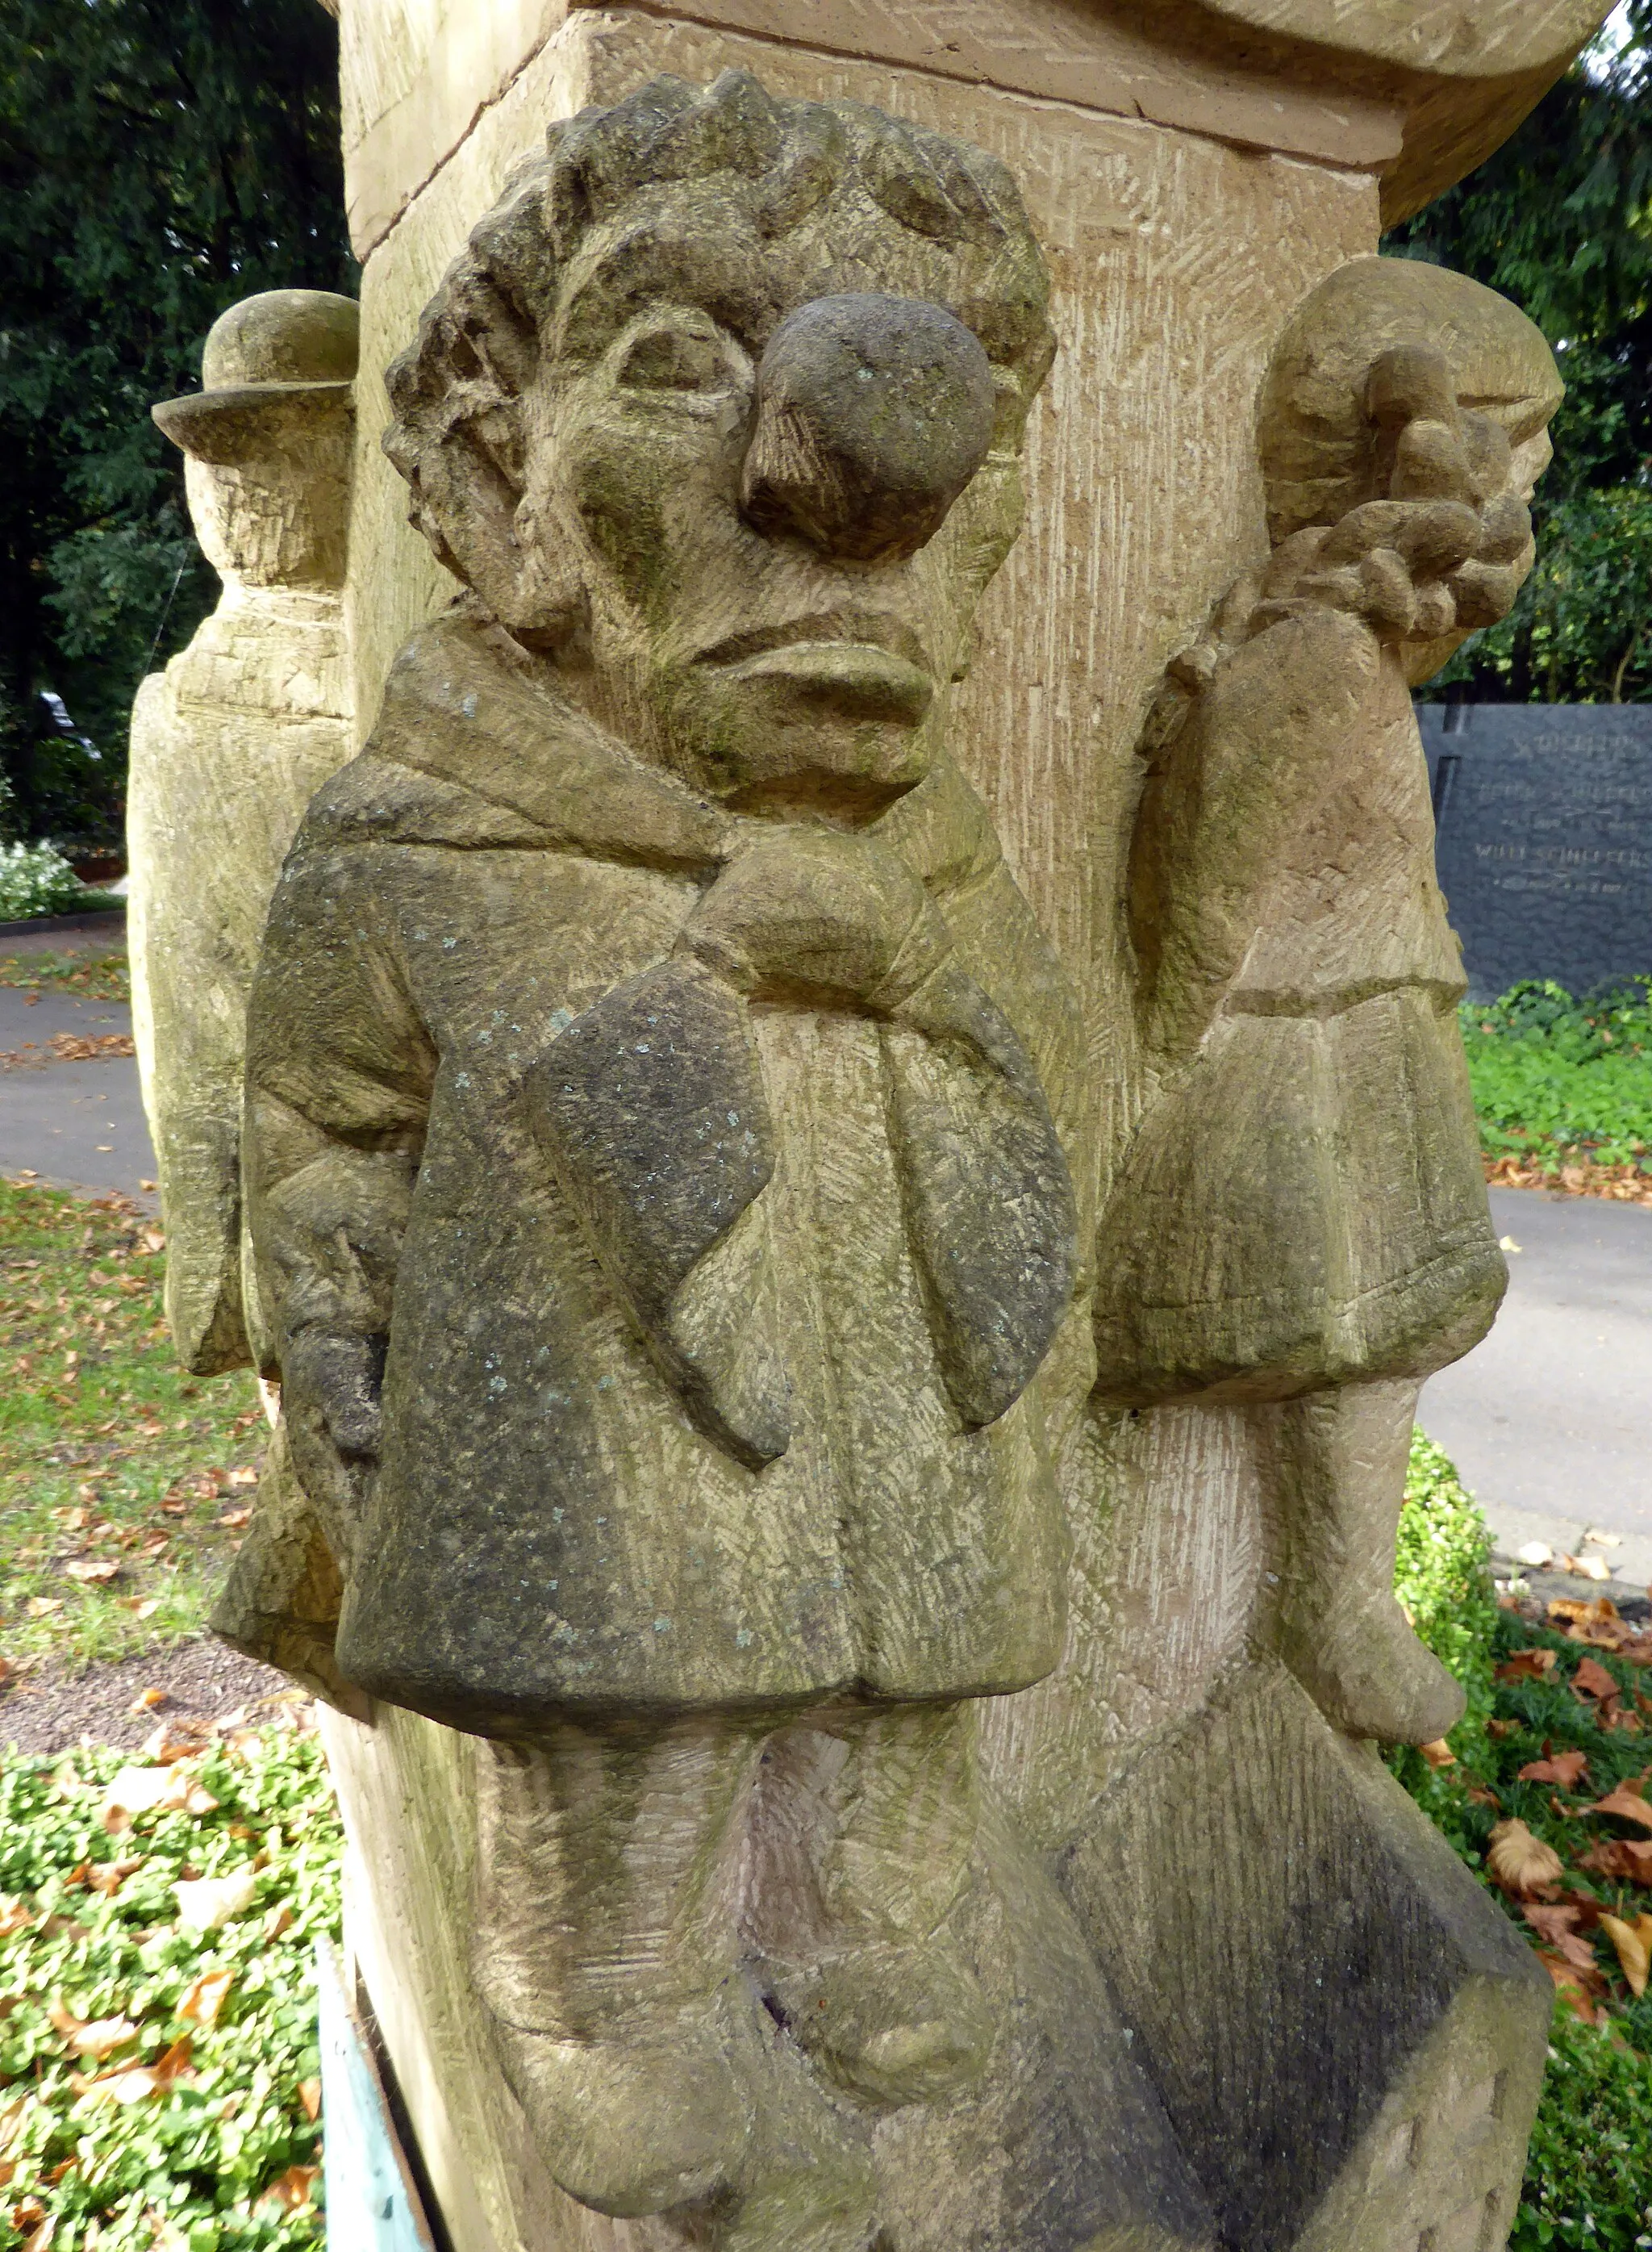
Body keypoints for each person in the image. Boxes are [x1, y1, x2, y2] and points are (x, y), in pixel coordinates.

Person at [240, 69, 1092, 2221]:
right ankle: (603, 1986)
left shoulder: (934, 844)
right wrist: (327, 1338)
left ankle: (875, 1908)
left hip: (888, 1391)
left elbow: (1032, 1055)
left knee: (917, 1668)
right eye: (677, 354)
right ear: (501, 476)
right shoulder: (426, 831)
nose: (861, 474)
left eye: (955, 406)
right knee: (623, 1715)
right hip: (591, 1449)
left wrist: (902, 971)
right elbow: (329, 1112)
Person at [1092, 254, 1563, 1745]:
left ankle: (1334, 1598)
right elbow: (1209, 884)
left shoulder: (1353, 660)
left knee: (1384, 1329)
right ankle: (1315, 1602)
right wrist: (1158, 1059)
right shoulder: (1311, 664)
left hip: (1368, 1021)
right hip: (1293, 1048)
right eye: (1526, 478)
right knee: (1332, 1322)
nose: (1527, 522)